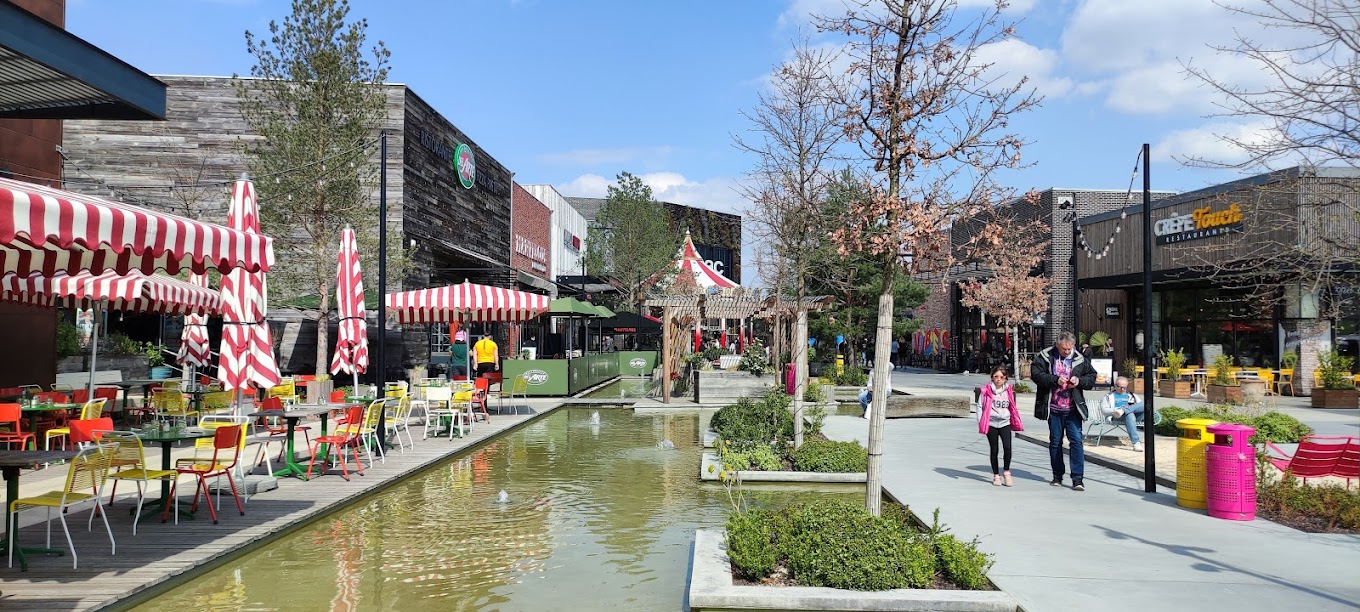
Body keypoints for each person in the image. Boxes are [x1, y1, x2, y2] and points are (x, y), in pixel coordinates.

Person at [1031, 331, 1097, 491]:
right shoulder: (1045, 356)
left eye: (1070, 349)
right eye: (1063, 349)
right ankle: (1057, 476)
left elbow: (1092, 376)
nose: (1067, 352)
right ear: (1057, 345)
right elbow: (1036, 374)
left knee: (1076, 442)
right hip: (1053, 408)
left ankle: (1077, 479)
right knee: (1055, 442)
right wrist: (1054, 380)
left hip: (1073, 408)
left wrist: (1079, 381)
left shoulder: (1080, 359)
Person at [976, 366, 1024, 486]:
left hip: (1005, 423)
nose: (998, 379)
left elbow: (1012, 406)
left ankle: (1006, 472)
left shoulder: (1008, 390)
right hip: (991, 423)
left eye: (1001, 377)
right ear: (992, 377)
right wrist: (980, 421)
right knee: (994, 449)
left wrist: (1015, 419)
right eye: (996, 376)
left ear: (1005, 378)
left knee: (1007, 447)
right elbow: (979, 406)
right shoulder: (986, 391)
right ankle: (996, 475)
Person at [1100, 376, 1146, 451]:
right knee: (1129, 414)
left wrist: (1124, 409)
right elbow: (1104, 410)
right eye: (1120, 387)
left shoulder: (1132, 395)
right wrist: (1115, 410)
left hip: (1134, 417)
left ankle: (1124, 410)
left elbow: (1140, 406)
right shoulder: (1109, 396)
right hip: (1116, 416)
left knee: (1145, 404)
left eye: (1124, 387)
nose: (1122, 389)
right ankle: (1136, 443)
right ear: (1115, 386)